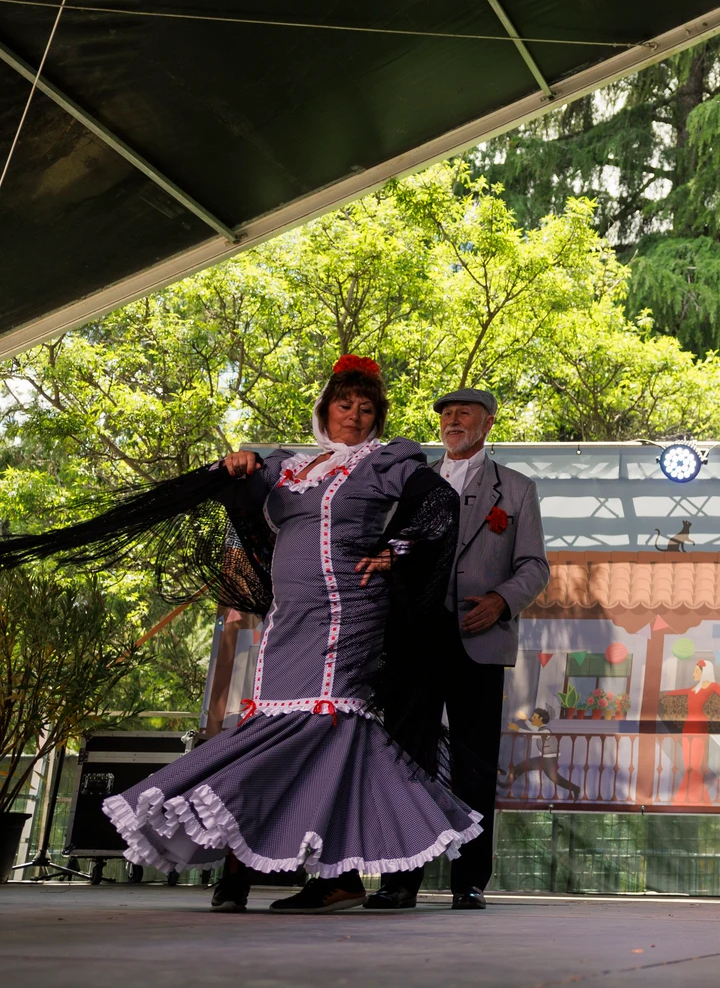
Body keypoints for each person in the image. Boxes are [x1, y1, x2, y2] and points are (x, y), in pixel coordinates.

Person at [0, 356, 479, 913]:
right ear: (325, 409)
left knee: (325, 728)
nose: (354, 415)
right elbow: (243, 500)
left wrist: (396, 550)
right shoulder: (291, 465)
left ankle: (319, 874)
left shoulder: (387, 460)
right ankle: (252, 864)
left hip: (348, 612)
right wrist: (240, 463)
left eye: (366, 408)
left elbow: (439, 503)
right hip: (287, 619)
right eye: (345, 405)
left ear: (377, 418)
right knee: (272, 729)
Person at [368, 387, 549, 911]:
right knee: (407, 759)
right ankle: (399, 878)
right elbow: (391, 546)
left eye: (463, 412)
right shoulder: (415, 481)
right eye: (446, 414)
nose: (452, 420)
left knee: (473, 763)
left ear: (488, 423)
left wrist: (500, 600)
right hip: (413, 641)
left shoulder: (515, 488)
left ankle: (469, 879)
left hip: (478, 640)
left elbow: (534, 566)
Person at [660, 659, 720, 804]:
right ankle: (692, 797)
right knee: (689, 763)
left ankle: (687, 798)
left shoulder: (712, 686)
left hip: (700, 727)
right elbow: (679, 692)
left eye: (696, 671)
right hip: (687, 728)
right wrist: (664, 694)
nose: (693, 673)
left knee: (695, 764)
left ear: (705, 672)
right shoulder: (693, 689)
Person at [502, 708, 580, 795]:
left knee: (556, 779)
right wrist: (525, 720)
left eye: (534, 717)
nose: (532, 718)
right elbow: (533, 729)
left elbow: (532, 735)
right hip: (545, 758)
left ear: (540, 720)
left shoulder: (545, 731)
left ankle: (575, 789)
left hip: (549, 760)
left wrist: (518, 729)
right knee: (519, 768)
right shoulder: (541, 728)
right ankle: (506, 785)